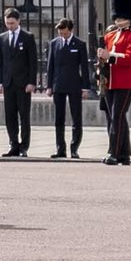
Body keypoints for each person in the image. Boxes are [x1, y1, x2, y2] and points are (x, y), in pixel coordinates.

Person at [99, 0, 131, 166]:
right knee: (115, 117)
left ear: (130, 18)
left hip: (125, 82)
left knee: (117, 116)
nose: (118, 19)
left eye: (122, 16)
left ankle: (113, 152)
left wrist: (108, 55)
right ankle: (124, 154)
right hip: (110, 82)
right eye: (117, 17)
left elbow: (130, 58)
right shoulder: (109, 35)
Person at [0, 7, 38, 157]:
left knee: (24, 116)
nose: (10, 26)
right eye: (7, 23)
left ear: (18, 21)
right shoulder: (2, 37)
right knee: (10, 116)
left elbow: (33, 62)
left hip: (23, 83)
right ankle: (13, 144)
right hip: (8, 83)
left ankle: (24, 146)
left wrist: (32, 82)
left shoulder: (28, 37)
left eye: (12, 23)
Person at [45, 17, 91, 159]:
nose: (62, 35)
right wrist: (49, 86)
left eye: (65, 33)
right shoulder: (54, 43)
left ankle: (74, 147)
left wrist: (85, 88)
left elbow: (84, 67)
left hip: (74, 85)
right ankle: (60, 148)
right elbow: (50, 65)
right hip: (58, 85)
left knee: (76, 118)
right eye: (60, 33)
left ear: (70, 30)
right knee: (59, 119)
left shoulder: (80, 44)